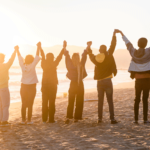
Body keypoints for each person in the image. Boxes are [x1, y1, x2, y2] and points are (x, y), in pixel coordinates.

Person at [117, 30, 150, 124]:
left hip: (138, 80)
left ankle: (136, 120)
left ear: (138, 44)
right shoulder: (148, 52)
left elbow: (128, 44)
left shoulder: (134, 53)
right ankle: (145, 119)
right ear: (146, 44)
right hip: (147, 79)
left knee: (137, 99)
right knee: (145, 99)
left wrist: (121, 33)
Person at [87, 29, 119, 124]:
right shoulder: (109, 55)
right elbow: (113, 45)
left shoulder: (96, 58)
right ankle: (112, 119)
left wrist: (89, 46)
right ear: (106, 50)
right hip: (108, 81)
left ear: (100, 50)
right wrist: (114, 35)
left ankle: (99, 119)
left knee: (100, 101)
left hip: (100, 82)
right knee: (110, 101)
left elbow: (90, 54)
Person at [39, 42, 64, 123]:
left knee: (44, 102)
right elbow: (60, 57)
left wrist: (40, 47)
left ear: (47, 57)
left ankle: (44, 119)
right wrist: (64, 47)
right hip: (53, 86)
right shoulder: (54, 63)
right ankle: (51, 119)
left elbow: (42, 56)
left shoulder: (43, 64)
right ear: (53, 58)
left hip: (45, 85)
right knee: (52, 102)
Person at [16, 44, 41, 125]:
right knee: (30, 103)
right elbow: (37, 56)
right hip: (32, 87)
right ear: (32, 59)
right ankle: (29, 120)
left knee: (23, 103)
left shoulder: (22, 65)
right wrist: (38, 47)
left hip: (23, 87)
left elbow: (19, 58)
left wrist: (17, 50)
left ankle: (23, 120)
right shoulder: (33, 65)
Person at [64, 41, 88, 124]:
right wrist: (87, 47)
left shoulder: (70, 65)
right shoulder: (81, 65)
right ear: (78, 58)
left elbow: (67, 56)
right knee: (79, 101)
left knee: (70, 101)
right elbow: (84, 57)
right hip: (80, 84)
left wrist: (64, 47)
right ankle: (77, 118)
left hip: (72, 84)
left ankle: (68, 117)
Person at [0, 49, 17, 126]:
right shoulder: (5, 66)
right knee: (5, 105)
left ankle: (1, 119)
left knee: (0, 105)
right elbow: (11, 59)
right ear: (3, 59)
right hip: (4, 88)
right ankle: (4, 121)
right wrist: (15, 51)